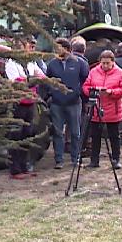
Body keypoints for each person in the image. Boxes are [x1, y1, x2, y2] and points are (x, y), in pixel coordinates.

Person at [46, 38, 89, 170]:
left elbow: (85, 80)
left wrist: (78, 93)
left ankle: (75, 158)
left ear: (68, 49)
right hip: (57, 103)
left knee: (76, 132)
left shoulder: (79, 63)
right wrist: (51, 94)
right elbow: (48, 80)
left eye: (59, 49)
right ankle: (59, 160)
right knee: (58, 132)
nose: (56, 52)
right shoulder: (52, 64)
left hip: (74, 103)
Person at [82, 50, 122, 170]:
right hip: (96, 109)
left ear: (113, 62)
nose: (105, 66)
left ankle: (116, 160)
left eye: (108, 63)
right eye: (103, 63)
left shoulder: (119, 73)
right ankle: (94, 160)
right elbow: (86, 86)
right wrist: (93, 92)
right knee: (95, 136)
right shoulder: (94, 71)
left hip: (112, 109)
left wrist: (111, 92)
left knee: (114, 136)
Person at [3, 41, 43, 179]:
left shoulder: (31, 63)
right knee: (16, 134)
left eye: (33, 46)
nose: (33, 48)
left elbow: (41, 75)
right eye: (30, 46)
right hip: (18, 103)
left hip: (30, 102)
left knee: (28, 133)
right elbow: (16, 81)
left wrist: (33, 78)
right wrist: (31, 79)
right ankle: (15, 169)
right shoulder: (11, 63)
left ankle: (24, 166)